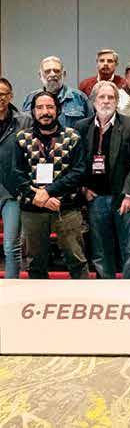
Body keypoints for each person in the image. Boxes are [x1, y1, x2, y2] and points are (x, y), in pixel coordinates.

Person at [7, 92, 88, 278]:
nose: (45, 112)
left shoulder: (72, 136)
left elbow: (78, 172)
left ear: (58, 110)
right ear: (33, 112)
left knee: (77, 260)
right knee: (35, 264)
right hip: (32, 209)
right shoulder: (22, 138)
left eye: (50, 107)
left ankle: (83, 295)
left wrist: (49, 192)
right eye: (40, 108)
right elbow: (17, 174)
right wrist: (39, 197)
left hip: (66, 208)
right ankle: (39, 298)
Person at [78, 81, 130, 279]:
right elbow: (77, 162)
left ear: (117, 101)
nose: (106, 101)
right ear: (93, 101)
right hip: (95, 197)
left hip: (122, 197)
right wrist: (83, 187)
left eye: (111, 97)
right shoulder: (82, 126)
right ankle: (105, 288)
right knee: (100, 249)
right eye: (102, 97)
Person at [0, 77, 28, 278]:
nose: (0, 98)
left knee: (11, 246)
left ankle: (12, 289)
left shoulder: (24, 121)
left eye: (3, 94)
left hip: (12, 192)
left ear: (11, 96)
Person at [23, 55, 93, 129]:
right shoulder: (30, 99)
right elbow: (25, 127)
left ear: (64, 74)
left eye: (56, 71)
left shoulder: (79, 98)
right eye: (47, 71)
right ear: (40, 75)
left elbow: (91, 127)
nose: (52, 74)